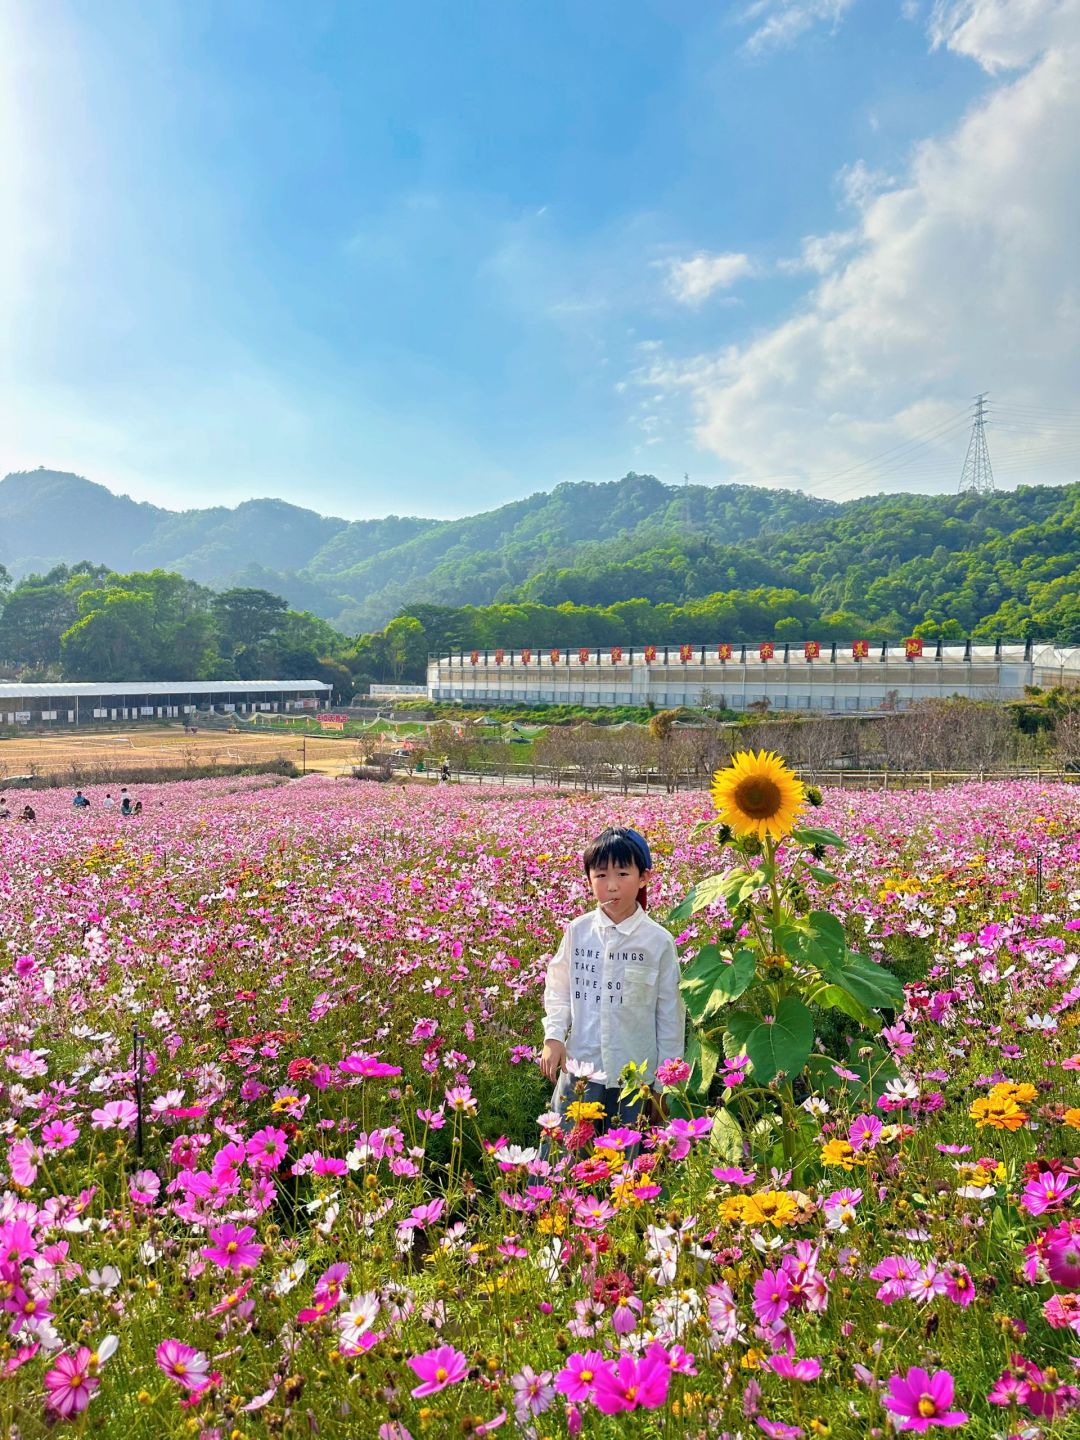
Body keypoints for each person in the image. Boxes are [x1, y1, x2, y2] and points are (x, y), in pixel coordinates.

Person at [540, 826, 685, 1138]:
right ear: (589, 880)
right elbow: (559, 988)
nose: (612, 886)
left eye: (622, 874)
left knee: (626, 1165)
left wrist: (663, 1086)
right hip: (581, 1067)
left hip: (633, 1078)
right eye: (601, 875)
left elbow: (671, 1017)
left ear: (643, 877)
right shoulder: (578, 932)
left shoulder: (657, 942)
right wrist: (553, 1037)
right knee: (563, 1155)